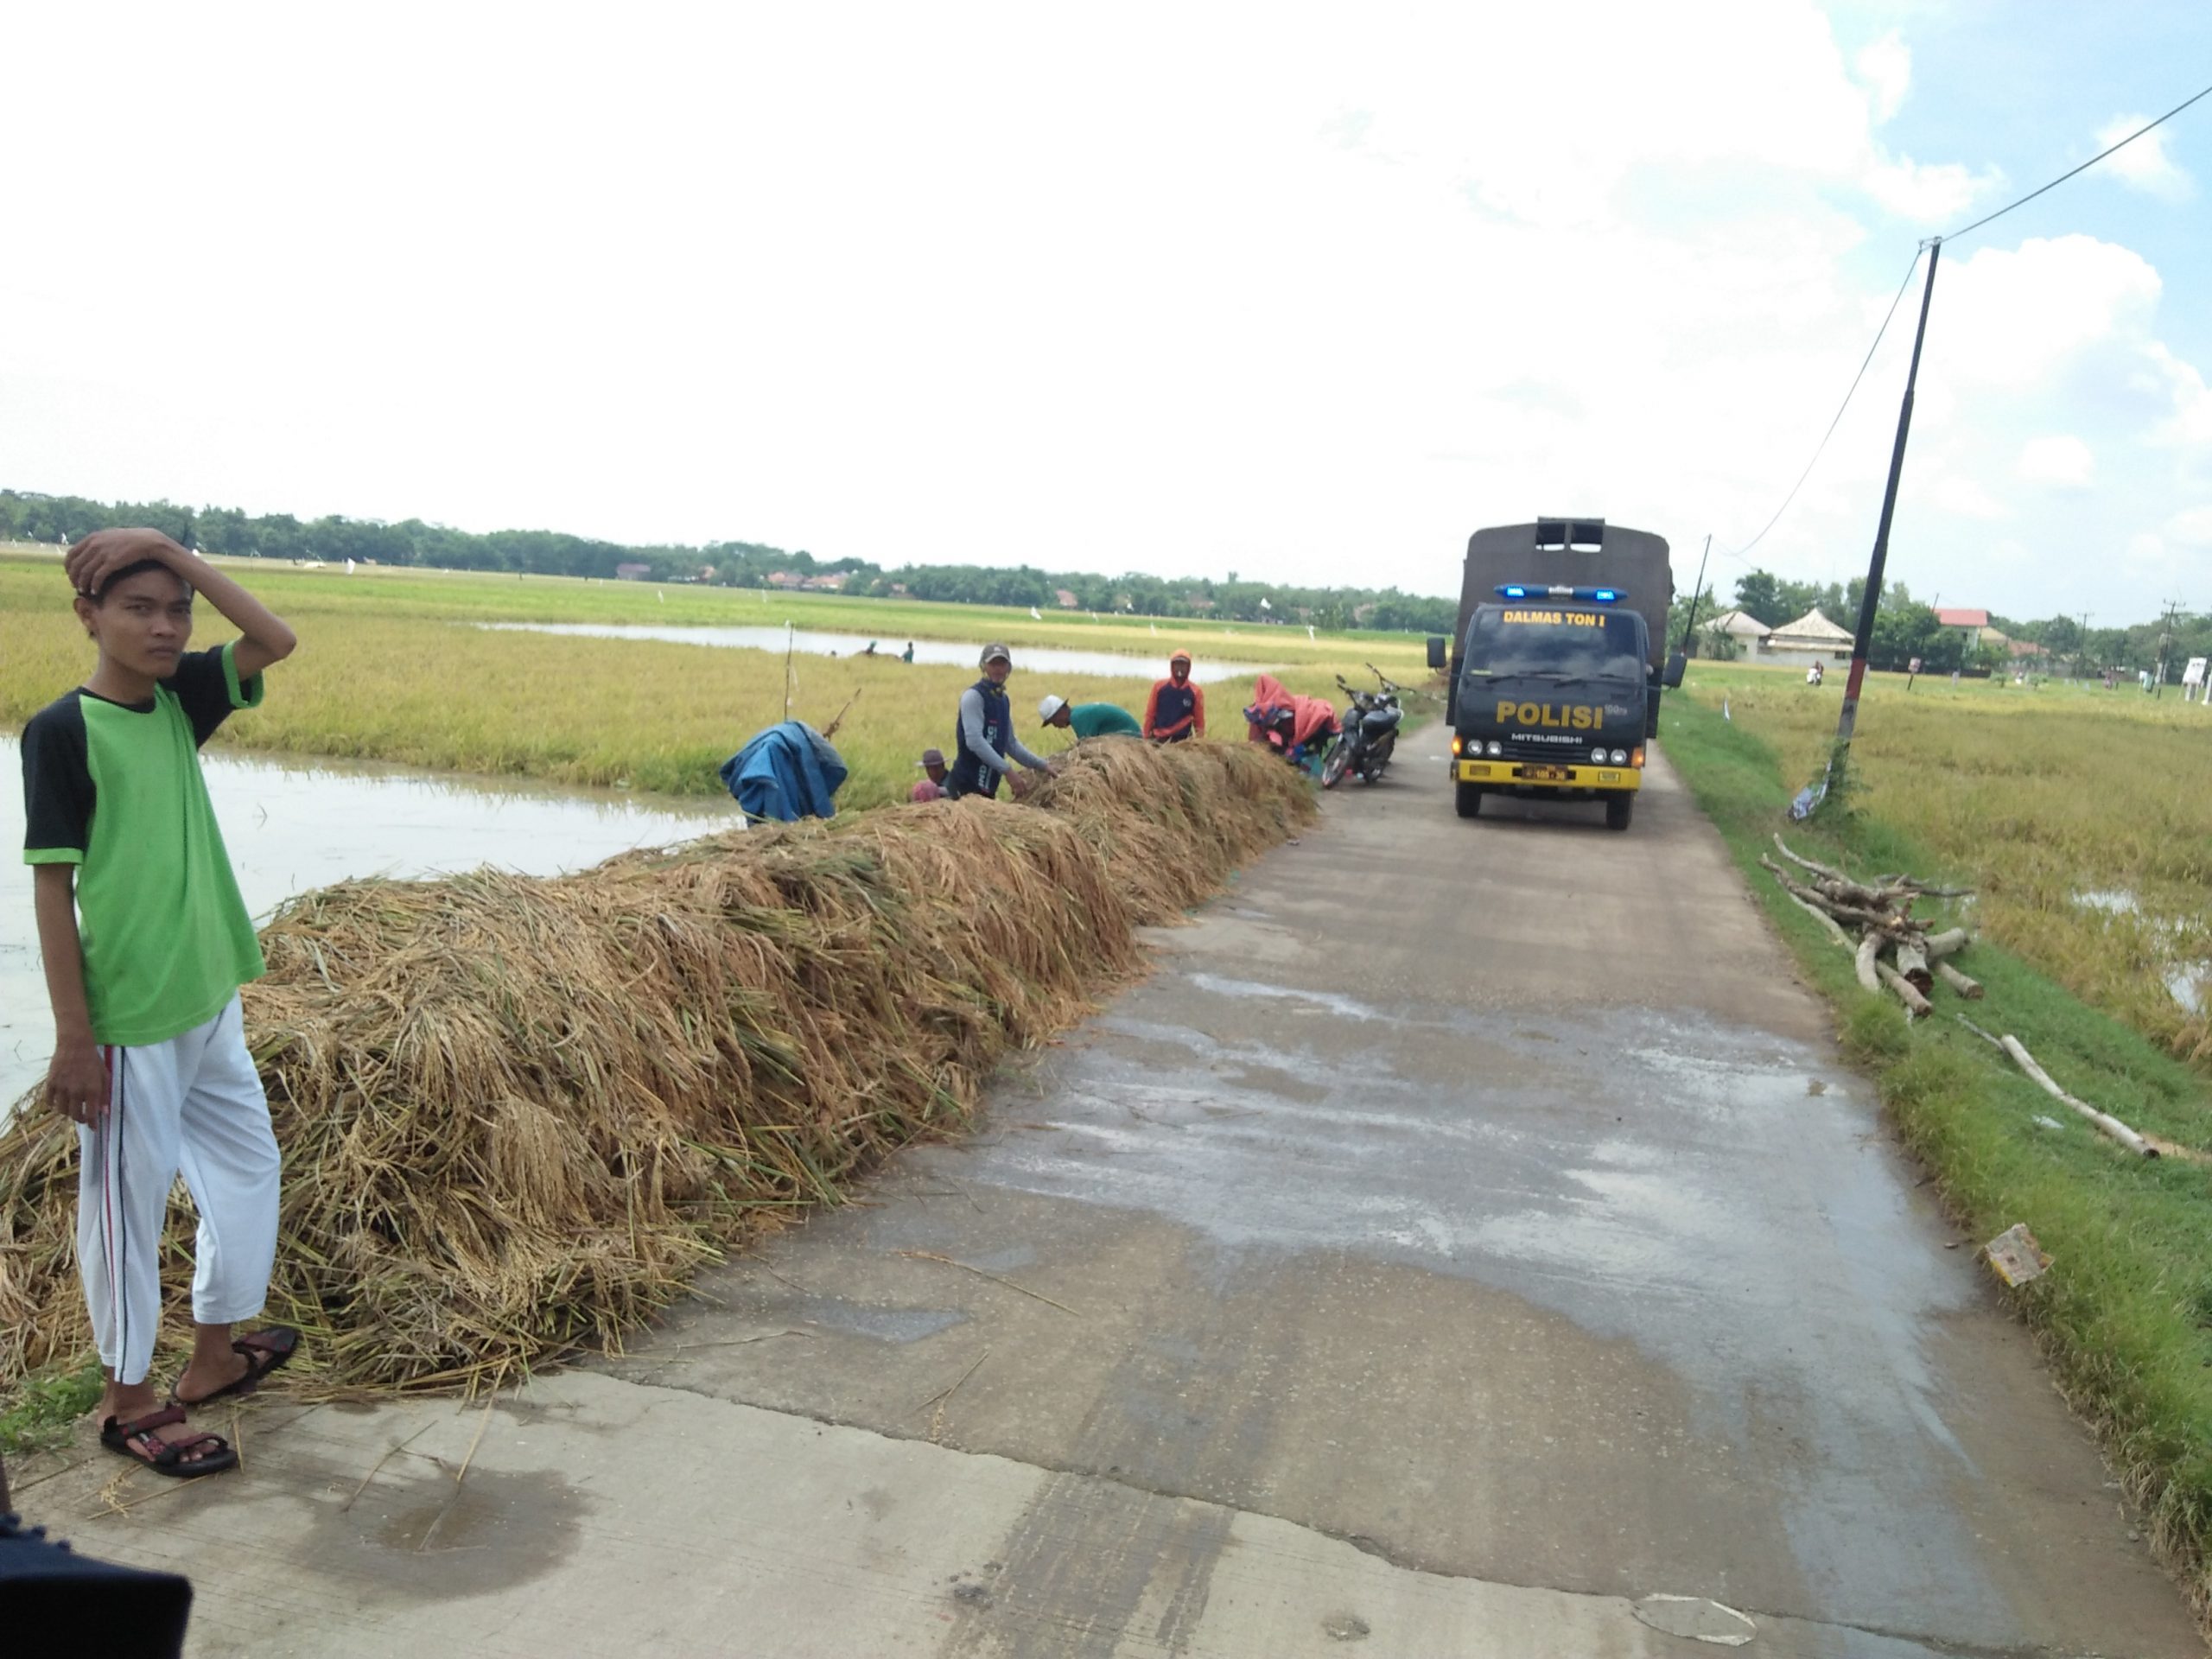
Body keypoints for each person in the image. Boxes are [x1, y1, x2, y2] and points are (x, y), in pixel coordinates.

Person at [22, 529, 302, 1481]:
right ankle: (126, 1398)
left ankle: (213, 1352)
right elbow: (52, 889)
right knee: (123, 1212)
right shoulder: (63, 731)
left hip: (207, 990)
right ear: (88, 616)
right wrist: (73, 1038)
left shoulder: (181, 700)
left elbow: (274, 639)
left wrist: (177, 555)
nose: (165, 625)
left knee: (246, 1168)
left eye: (174, 607)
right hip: (130, 1018)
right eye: (137, 607)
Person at [948, 643, 1050, 799]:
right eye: (993, 664)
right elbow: (974, 741)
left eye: (1002, 664)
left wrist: (1042, 765)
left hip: (987, 789)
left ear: (1009, 668)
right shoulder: (973, 697)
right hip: (965, 786)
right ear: (983, 666)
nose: (998, 669)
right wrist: (1008, 771)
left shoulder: (1003, 700)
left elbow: (1011, 744)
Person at [1143, 651, 1205, 742]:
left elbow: (1199, 722)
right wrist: (1145, 736)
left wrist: (1200, 742)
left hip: (1183, 741)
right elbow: (1150, 714)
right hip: (1159, 738)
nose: (1180, 668)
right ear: (1172, 666)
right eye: (1177, 664)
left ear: (1189, 667)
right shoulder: (1159, 687)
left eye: (1183, 665)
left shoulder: (1196, 691)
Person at [1038, 695, 1140, 739]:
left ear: (1059, 713)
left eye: (1053, 722)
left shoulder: (1078, 718)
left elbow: (1087, 750)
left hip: (1131, 738)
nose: (1055, 726)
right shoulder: (1078, 713)